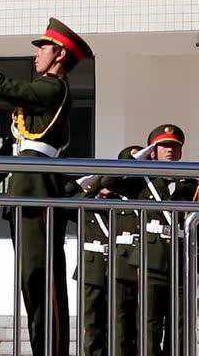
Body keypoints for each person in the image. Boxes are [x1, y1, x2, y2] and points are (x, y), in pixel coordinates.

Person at [0, 17, 94, 356]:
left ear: (59, 54)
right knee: (32, 284)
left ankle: (53, 349)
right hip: (24, 197)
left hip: (39, 198)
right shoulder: (39, 95)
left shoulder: (52, 88)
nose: (36, 55)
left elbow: (4, 87)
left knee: (44, 283)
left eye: (42, 48)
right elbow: (13, 150)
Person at [133, 124, 199, 356]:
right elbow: (108, 183)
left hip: (181, 260)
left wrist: (198, 265)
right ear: (153, 151)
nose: (170, 151)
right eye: (163, 146)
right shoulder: (142, 180)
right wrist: (136, 161)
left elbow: (197, 224)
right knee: (150, 326)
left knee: (180, 324)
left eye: (174, 146)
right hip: (151, 258)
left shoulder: (191, 183)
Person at [76, 146, 144, 356]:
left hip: (124, 266)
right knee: (93, 322)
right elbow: (71, 203)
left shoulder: (132, 201)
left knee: (124, 321)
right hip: (93, 267)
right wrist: (99, 182)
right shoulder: (89, 202)